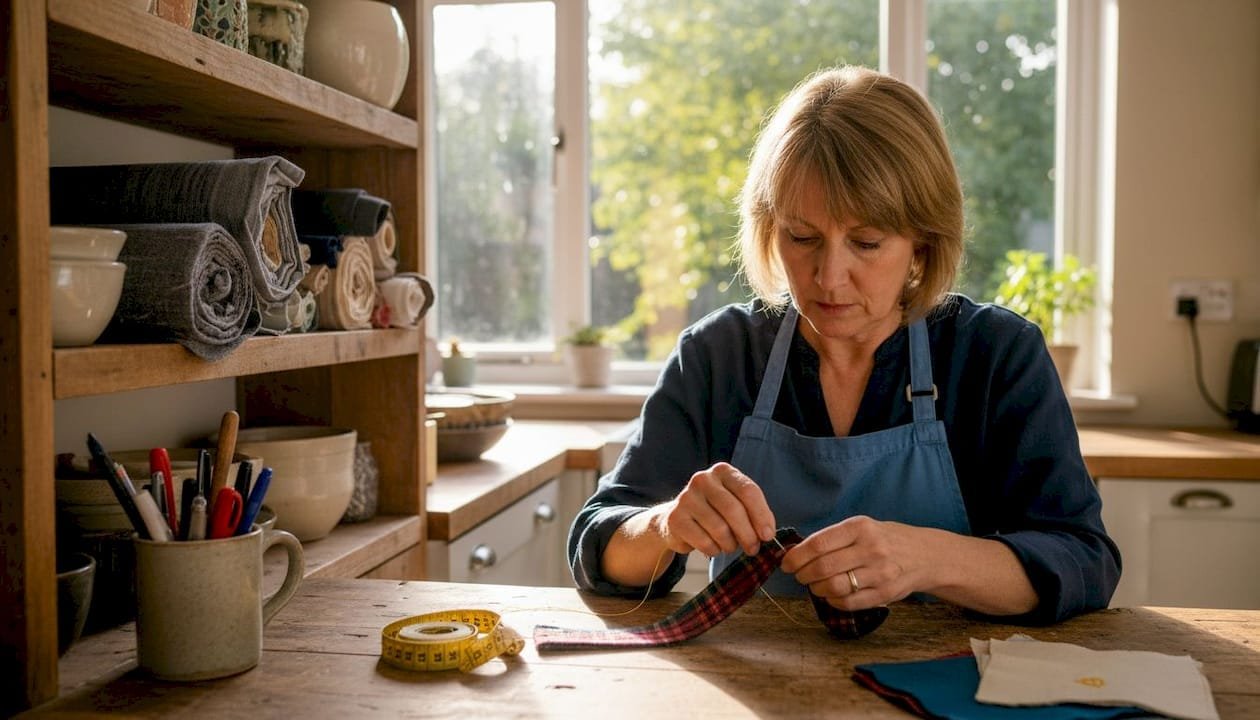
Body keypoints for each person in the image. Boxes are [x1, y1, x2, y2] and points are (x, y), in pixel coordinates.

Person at [567, 65, 1121, 624]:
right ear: (768, 228)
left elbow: (1084, 560)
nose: (829, 277)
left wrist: (928, 560)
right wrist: (664, 525)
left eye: (867, 242)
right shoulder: (720, 356)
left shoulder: (996, 355)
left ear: (923, 244)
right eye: (802, 237)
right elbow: (597, 544)